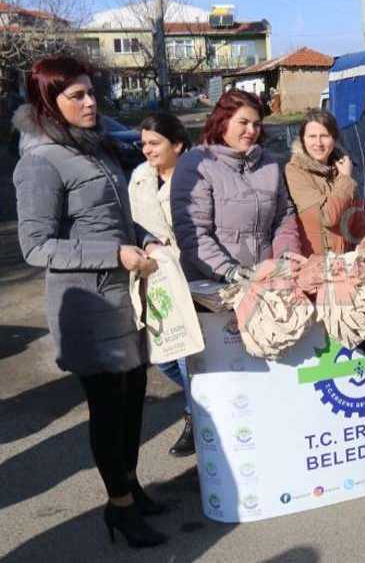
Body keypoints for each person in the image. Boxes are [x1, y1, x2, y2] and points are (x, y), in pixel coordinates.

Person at [13, 56, 168, 548]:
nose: (90, 101)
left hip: (126, 295)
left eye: (90, 92)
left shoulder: (94, 148)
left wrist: (145, 238)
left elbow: (113, 218)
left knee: (134, 398)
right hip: (87, 305)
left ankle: (130, 485)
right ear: (48, 104)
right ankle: (119, 507)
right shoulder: (39, 161)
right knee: (108, 407)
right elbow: (36, 246)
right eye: (76, 96)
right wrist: (115, 253)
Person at [170, 89, 300, 283]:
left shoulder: (269, 165)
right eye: (243, 122)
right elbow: (192, 233)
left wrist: (286, 259)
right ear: (223, 121)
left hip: (265, 284)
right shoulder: (196, 164)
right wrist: (233, 273)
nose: (251, 131)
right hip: (214, 288)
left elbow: (284, 219)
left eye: (256, 124)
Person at [127, 112, 196, 458]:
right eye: (143, 144)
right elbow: (133, 223)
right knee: (164, 356)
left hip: (193, 276)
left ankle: (195, 416)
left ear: (178, 145)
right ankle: (200, 404)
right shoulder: (139, 178)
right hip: (156, 277)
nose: (147, 150)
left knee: (186, 354)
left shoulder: (197, 177)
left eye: (155, 143)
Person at [284, 108, 356, 255]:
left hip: (343, 258)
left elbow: (354, 212)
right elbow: (326, 216)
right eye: (312, 136)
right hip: (316, 260)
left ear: (334, 139)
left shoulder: (340, 166)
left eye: (324, 136)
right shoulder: (295, 171)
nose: (318, 143)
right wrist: (346, 179)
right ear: (303, 139)